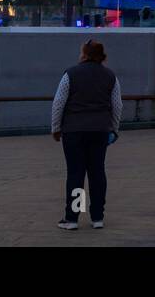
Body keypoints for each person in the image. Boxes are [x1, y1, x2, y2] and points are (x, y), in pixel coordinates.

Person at [51, 39, 123, 230]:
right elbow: (117, 106)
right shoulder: (110, 76)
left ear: (83, 54)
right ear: (102, 55)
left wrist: (56, 128)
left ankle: (73, 218)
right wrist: (114, 129)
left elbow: (59, 103)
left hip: (74, 131)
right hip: (99, 131)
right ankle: (97, 217)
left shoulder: (70, 74)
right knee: (97, 172)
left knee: (76, 173)